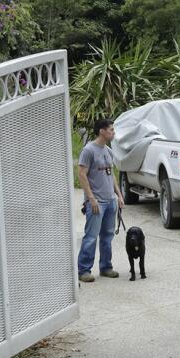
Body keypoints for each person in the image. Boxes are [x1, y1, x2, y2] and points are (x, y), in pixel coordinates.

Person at [77, 118, 120, 282]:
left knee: (107, 236)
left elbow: (111, 175)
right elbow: (81, 175)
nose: (113, 132)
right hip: (96, 203)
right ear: (102, 131)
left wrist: (119, 196)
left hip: (110, 201)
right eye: (111, 130)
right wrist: (91, 199)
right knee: (91, 237)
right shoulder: (88, 150)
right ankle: (83, 270)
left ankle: (106, 267)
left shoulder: (108, 151)